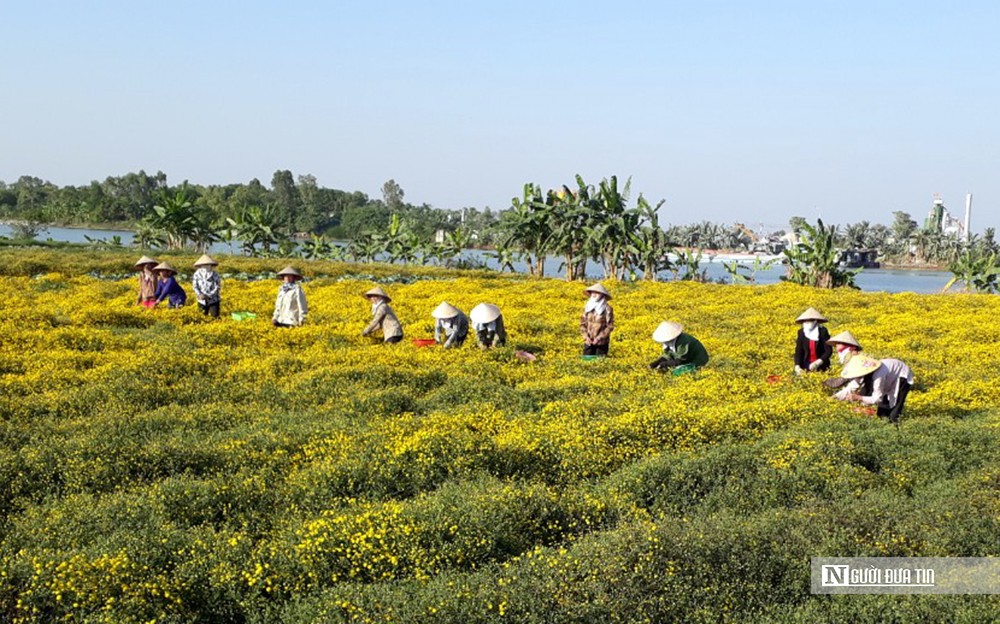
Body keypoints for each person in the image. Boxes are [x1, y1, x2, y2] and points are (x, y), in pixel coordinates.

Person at [836, 355, 915, 424]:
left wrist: (858, 397)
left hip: (902, 375)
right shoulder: (862, 372)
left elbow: (877, 399)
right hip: (890, 375)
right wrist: (833, 398)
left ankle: (894, 426)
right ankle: (885, 426)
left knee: (895, 409)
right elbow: (850, 388)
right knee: (882, 413)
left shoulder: (878, 375)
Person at [794, 307, 832, 374]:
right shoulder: (801, 333)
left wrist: (819, 362)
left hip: (821, 366)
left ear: (815, 321)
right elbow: (799, 351)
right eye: (806, 321)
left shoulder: (822, 332)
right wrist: (797, 365)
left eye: (811, 320)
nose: (808, 322)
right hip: (806, 365)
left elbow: (828, 350)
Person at [580, 283, 614, 356]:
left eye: (597, 292)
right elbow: (582, 324)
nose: (594, 294)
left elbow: (610, 326)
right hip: (588, 342)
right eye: (593, 292)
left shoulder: (607, 309)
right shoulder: (587, 307)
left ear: (602, 294)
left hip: (602, 343)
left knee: (599, 363)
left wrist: (599, 338)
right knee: (586, 364)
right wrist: (586, 337)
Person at [192, 254, 222, 318]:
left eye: (208, 264)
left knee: (214, 317)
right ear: (201, 265)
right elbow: (195, 286)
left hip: (213, 299)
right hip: (201, 300)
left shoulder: (215, 274)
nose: (206, 266)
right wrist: (199, 294)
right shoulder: (197, 274)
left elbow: (217, 286)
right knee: (202, 317)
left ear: (211, 265)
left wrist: (208, 295)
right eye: (204, 264)